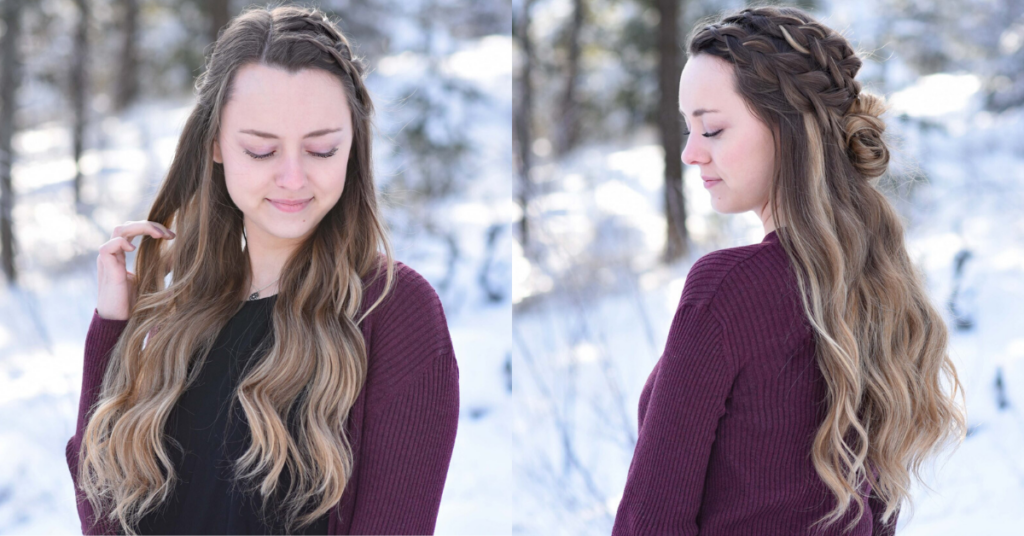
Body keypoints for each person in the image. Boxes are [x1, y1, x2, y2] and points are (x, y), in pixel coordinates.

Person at [65, 6, 459, 535]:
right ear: (216, 146)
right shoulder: (182, 318)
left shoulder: (393, 314)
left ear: (353, 149)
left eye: (321, 148)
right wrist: (114, 333)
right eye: (261, 149)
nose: (292, 177)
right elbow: (104, 517)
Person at [612, 6, 965, 536]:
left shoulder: (729, 289)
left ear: (787, 127)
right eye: (687, 129)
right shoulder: (874, 278)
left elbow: (652, 519)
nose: (690, 153)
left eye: (711, 129)